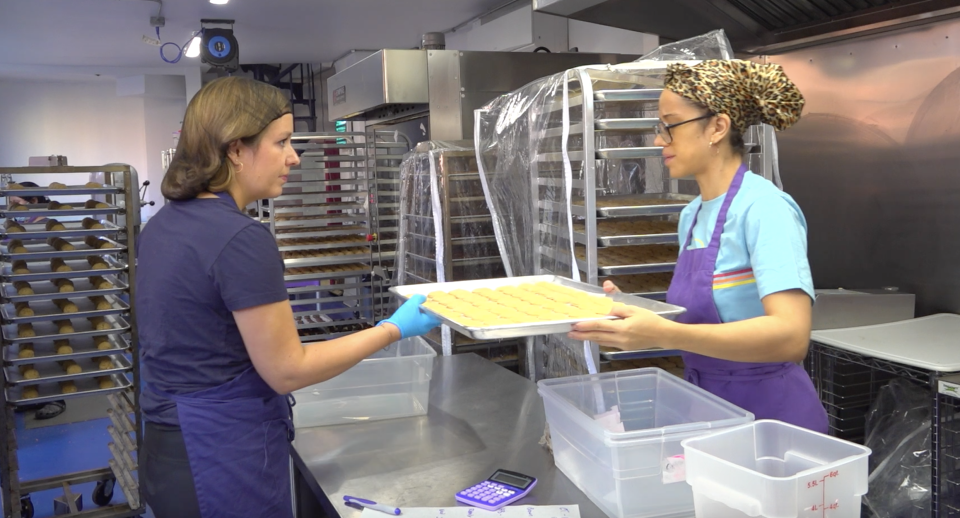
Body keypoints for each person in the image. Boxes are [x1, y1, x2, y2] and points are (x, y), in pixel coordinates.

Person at [135, 77, 440, 518]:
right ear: (236, 150)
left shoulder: (162, 226)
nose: (294, 157)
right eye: (281, 142)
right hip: (222, 460)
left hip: (168, 451)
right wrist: (392, 329)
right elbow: (287, 370)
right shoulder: (240, 239)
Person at [569, 60, 828, 433]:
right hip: (708, 410)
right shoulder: (692, 215)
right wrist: (635, 313)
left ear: (717, 127)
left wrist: (663, 333)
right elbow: (708, 317)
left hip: (772, 420)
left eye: (669, 126)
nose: (659, 140)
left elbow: (790, 337)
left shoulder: (765, 209)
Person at [8, 182, 67, 420]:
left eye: (17, 203)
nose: (13, 208)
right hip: (27, 291)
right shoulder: (20, 221)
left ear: (33, 202)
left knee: (49, 343)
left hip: (47, 289)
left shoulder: (45, 220)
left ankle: (56, 398)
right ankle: (34, 395)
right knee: (30, 344)